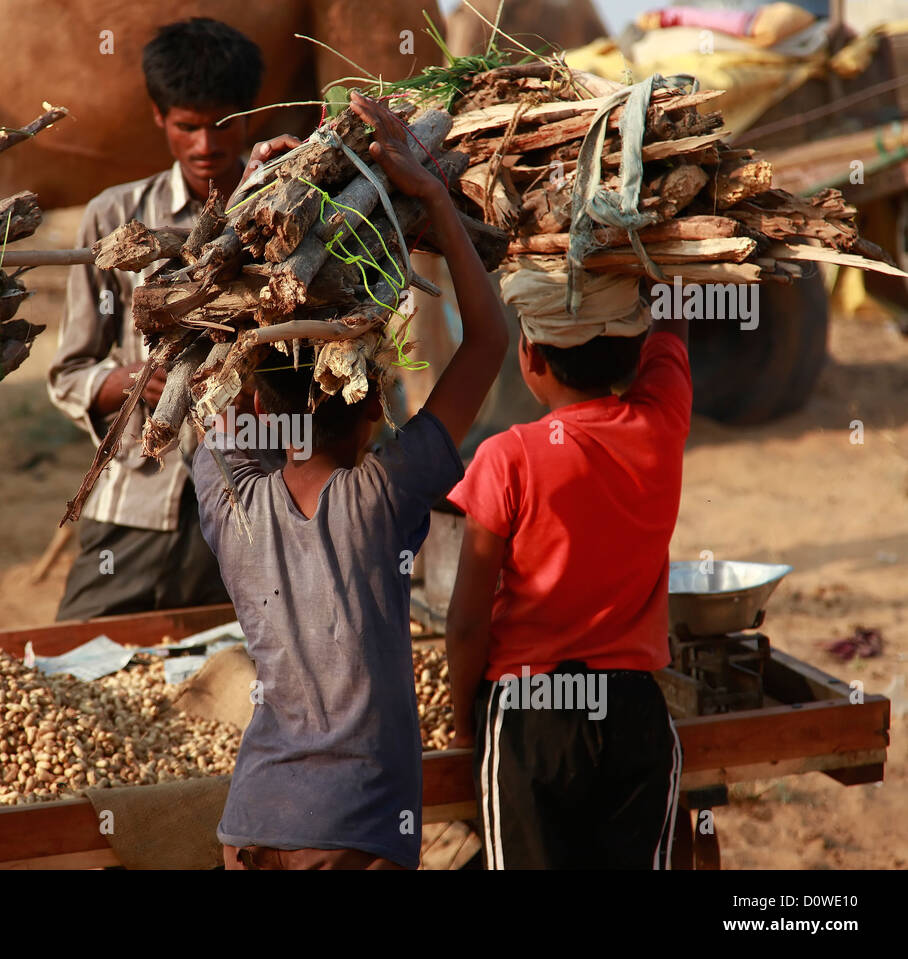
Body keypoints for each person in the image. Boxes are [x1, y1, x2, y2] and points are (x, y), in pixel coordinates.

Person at [195, 92, 508, 870]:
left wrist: (249, 204)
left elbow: (216, 357)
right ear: (372, 406)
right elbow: (488, 340)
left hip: (253, 822)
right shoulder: (384, 494)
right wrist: (433, 192)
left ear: (260, 402)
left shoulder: (231, 495)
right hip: (353, 830)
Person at [443, 261, 692, 869]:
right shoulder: (661, 423)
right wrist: (646, 252)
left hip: (533, 720)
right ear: (635, 350)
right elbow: (674, 330)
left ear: (530, 357)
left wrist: (460, 723)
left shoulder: (507, 458)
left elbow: (468, 623)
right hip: (635, 713)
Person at [48, 17, 267, 620]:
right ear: (158, 117)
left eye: (222, 124)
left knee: (236, 673)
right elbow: (69, 375)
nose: (206, 145)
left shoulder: (284, 218)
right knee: (79, 657)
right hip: (135, 506)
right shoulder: (115, 216)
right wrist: (129, 380)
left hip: (253, 506)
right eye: (187, 126)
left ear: (251, 116)